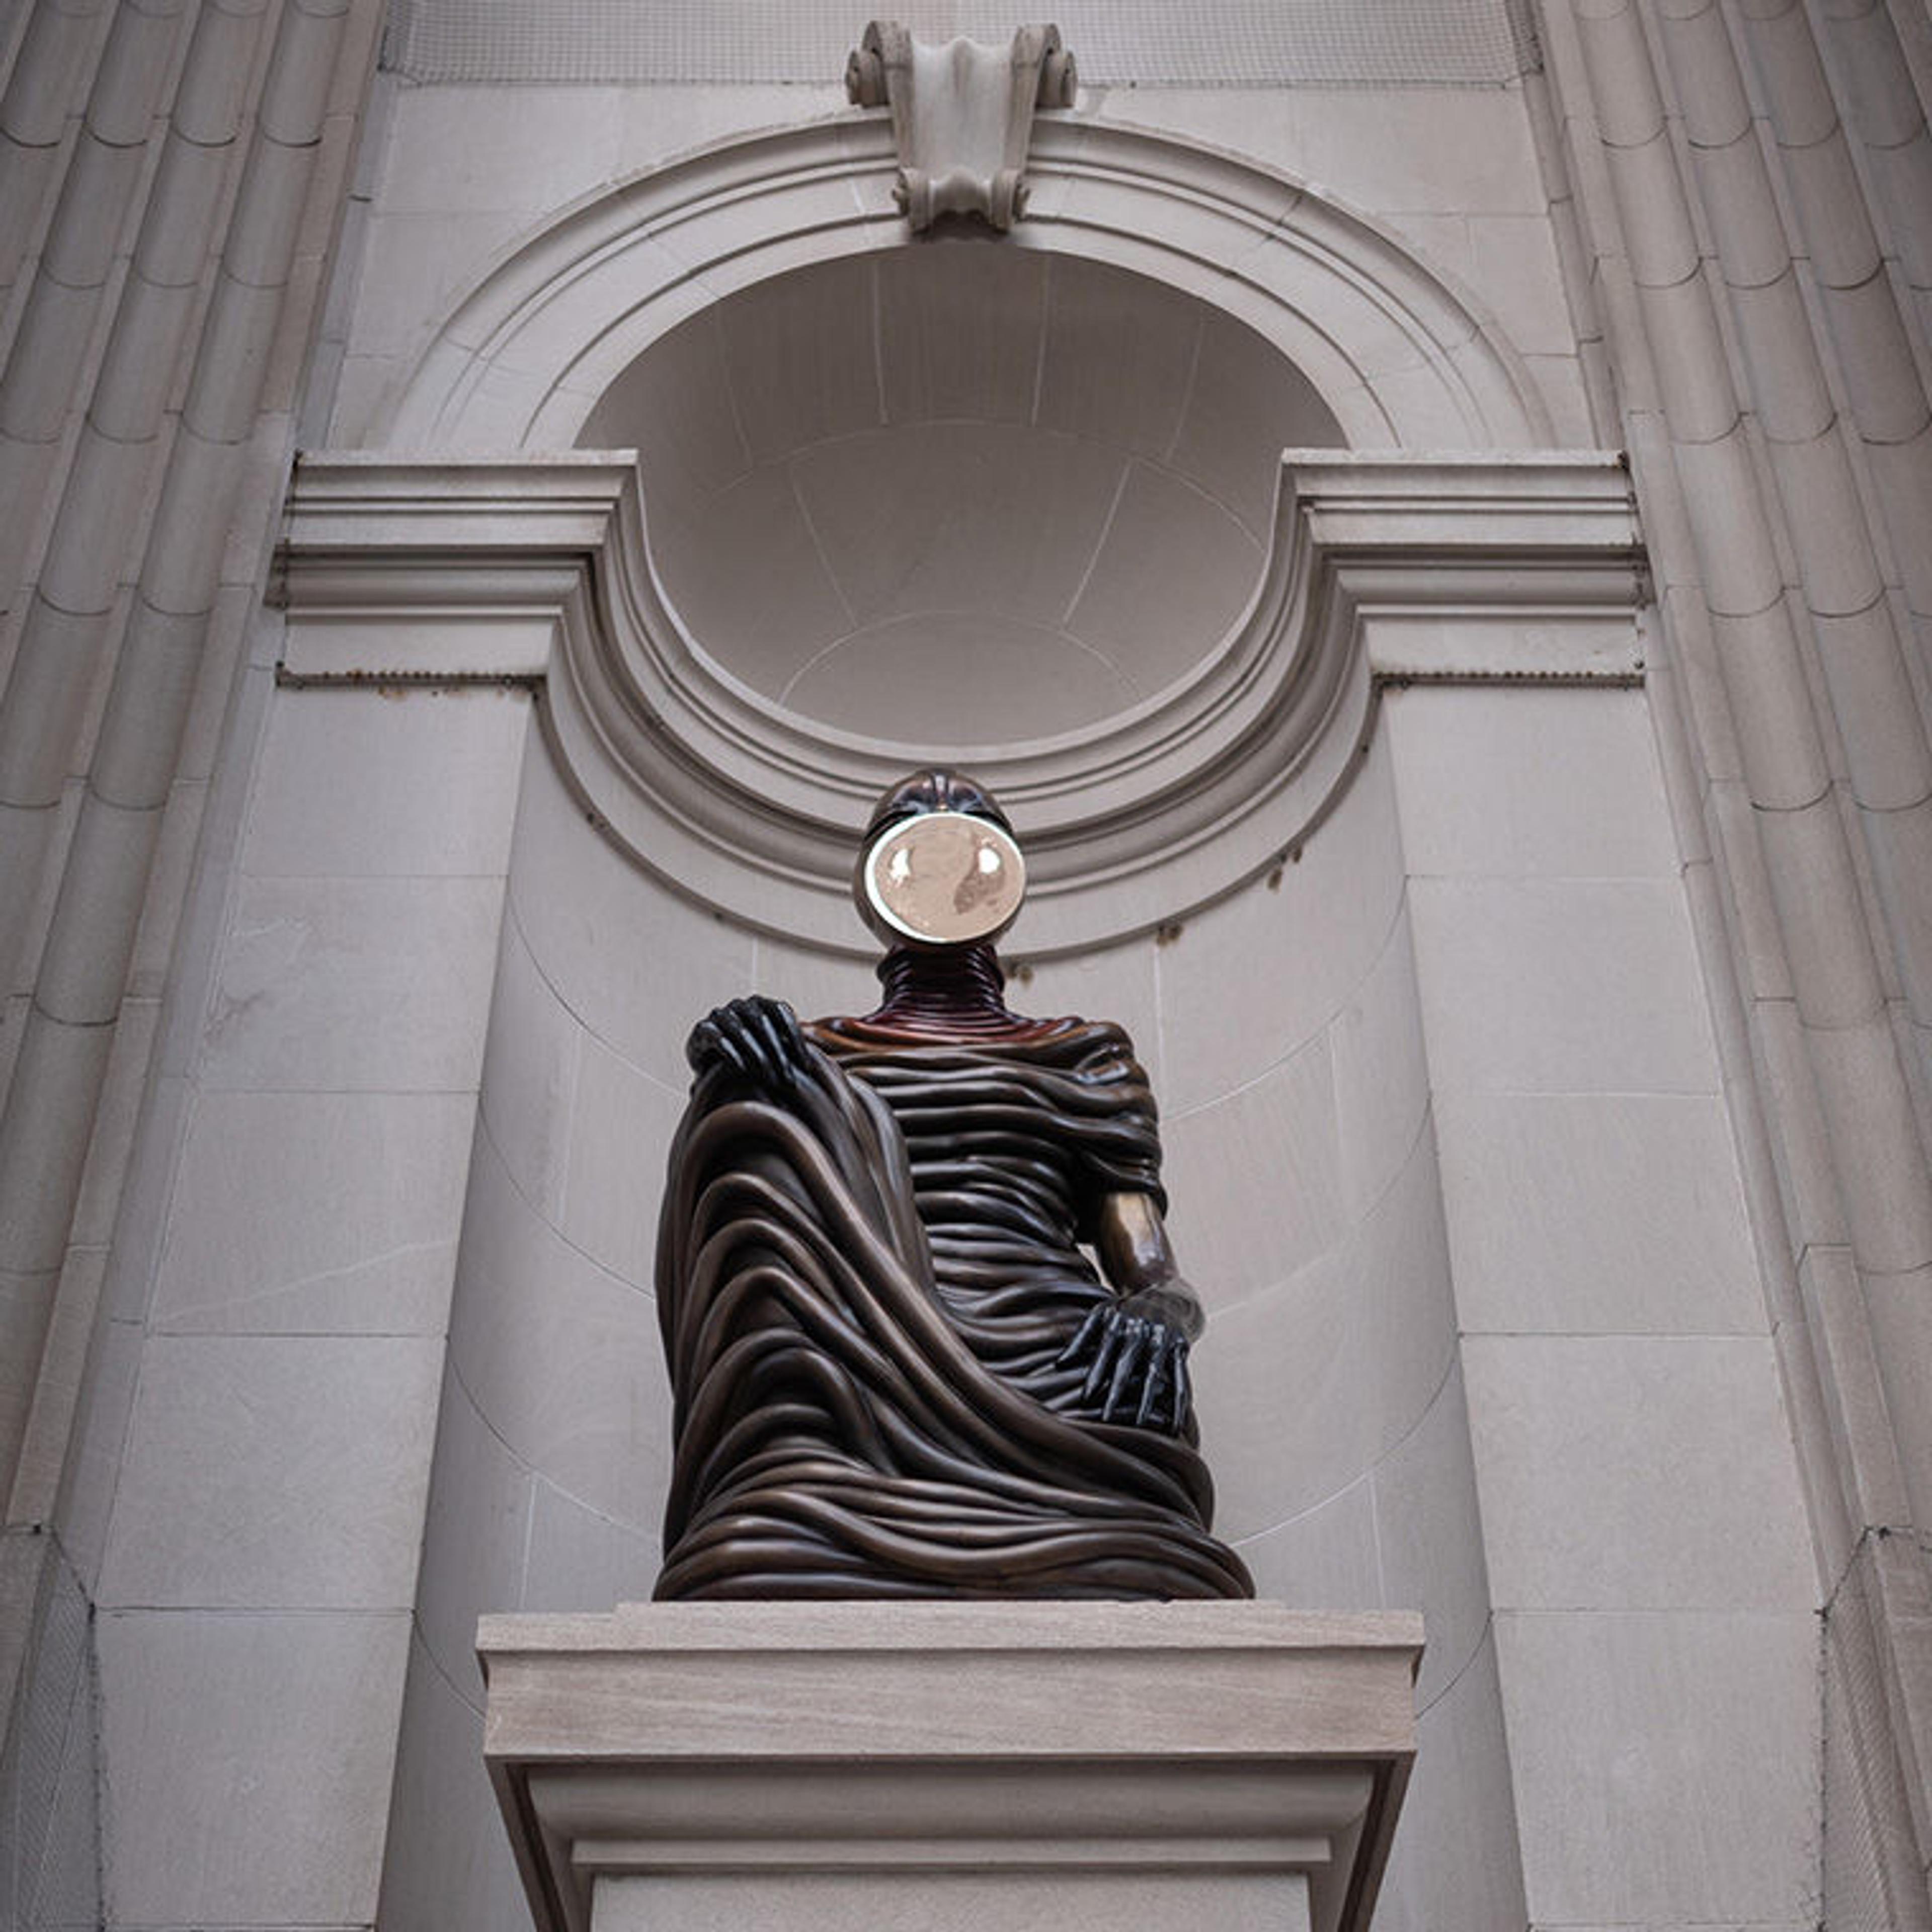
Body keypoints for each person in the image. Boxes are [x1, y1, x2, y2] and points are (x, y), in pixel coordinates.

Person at [652, 769, 1252, 1600]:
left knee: (1133, 1459)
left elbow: (1146, 1268)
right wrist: (729, 1069)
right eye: (913, 824)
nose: (942, 834)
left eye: (969, 823)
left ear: (1001, 871)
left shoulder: (1082, 1052)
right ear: (874, 885)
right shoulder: (810, 1055)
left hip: (1050, 1348)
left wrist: (1161, 1316)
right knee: (745, 1104)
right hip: (851, 1341)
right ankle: (828, 1478)